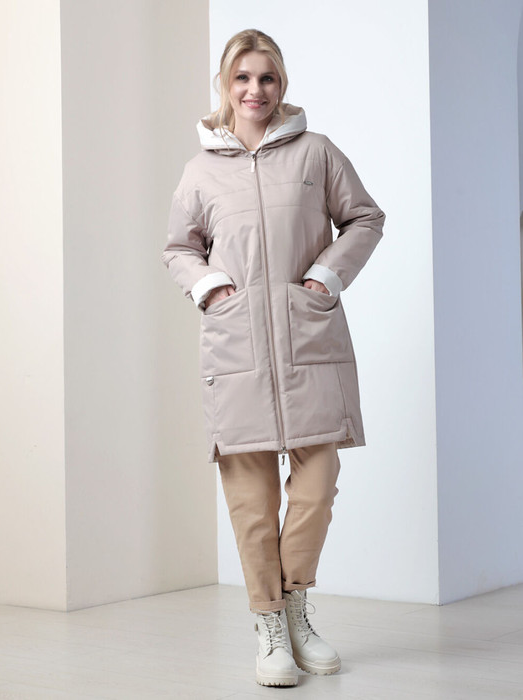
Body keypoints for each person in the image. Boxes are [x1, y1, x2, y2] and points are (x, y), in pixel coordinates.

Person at [162, 28, 385, 688]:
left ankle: (294, 608)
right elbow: (179, 247)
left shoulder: (316, 153)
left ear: (281, 84)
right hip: (236, 349)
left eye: (266, 78)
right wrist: (211, 287)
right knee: (251, 501)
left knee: (316, 488)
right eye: (242, 78)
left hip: (308, 341)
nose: (254, 90)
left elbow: (364, 218)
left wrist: (324, 277)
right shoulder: (200, 170)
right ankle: (269, 627)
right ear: (224, 85)